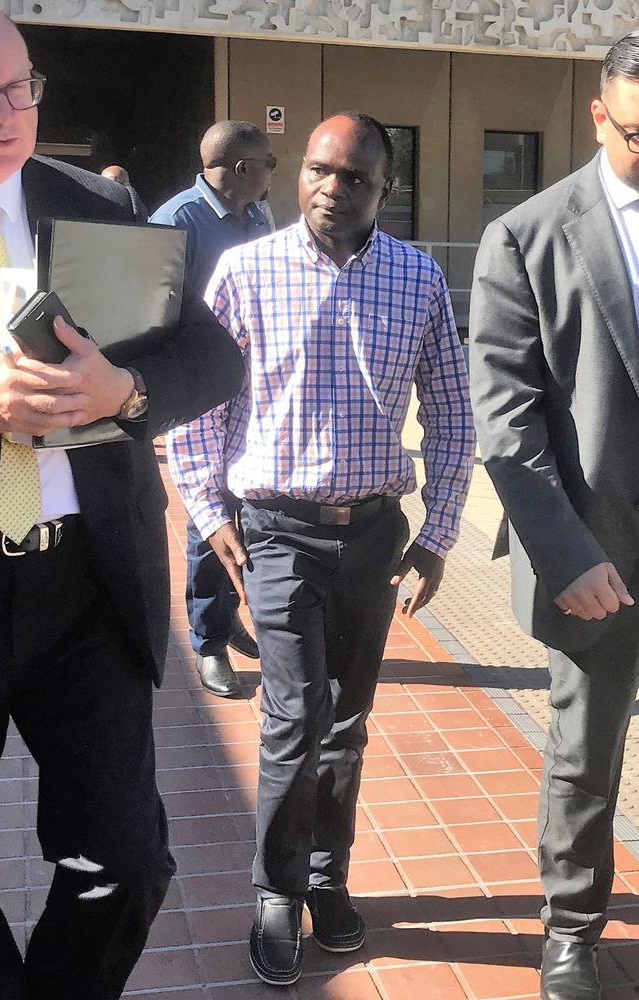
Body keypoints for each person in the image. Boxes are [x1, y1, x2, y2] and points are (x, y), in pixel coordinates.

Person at [168, 112, 474, 986]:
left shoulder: (418, 280)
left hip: (374, 534)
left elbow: (455, 417)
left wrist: (439, 534)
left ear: (387, 189)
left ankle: (327, 878)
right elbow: (198, 406)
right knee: (294, 718)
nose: (331, 190)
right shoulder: (245, 271)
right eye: (318, 171)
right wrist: (209, 513)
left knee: (346, 723)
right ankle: (274, 890)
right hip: (276, 531)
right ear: (299, 172)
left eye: (354, 178)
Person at [0, 9, 244, 1000]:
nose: (8, 113)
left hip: (82, 588)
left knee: (128, 864)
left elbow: (210, 357)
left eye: (21, 87)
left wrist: (124, 394)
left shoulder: (96, 204)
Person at [469, 30, 639, 1000]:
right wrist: (564, 551)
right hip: (590, 556)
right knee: (583, 758)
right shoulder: (525, 237)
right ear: (596, 115)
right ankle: (571, 930)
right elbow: (507, 421)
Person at [151, 121, 275, 697]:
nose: (276, 172)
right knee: (210, 512)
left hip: (254, 388)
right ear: (242, 169)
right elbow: (150, 311)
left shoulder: (259, 218)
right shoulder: (177, 222)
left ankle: (226, 622)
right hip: (199, 391)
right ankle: (207, 642)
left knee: (246, 506)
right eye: (268, 163)